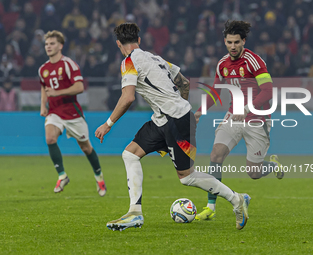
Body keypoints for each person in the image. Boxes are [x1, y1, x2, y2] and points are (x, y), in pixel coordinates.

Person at [95, 23, 250, 231]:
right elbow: (184, 83)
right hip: (164, 118)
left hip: (175, 120)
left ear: (118, 44)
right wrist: (183, 107)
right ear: (139, 41)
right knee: (130, 154)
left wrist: (108, 124)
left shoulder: (129, 62)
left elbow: (128, 97)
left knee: (187, 177)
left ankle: (237, 199)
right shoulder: (156, 58)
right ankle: (134, 213)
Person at [194, 20, 284, 221]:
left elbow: (268, 91)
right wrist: (200, 111)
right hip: (233, 116)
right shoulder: (222, 64)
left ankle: (273, 165)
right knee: (216, 154)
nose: (232, 46)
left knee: (253, 172)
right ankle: (210, 206)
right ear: (224, 42)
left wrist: (246, 108)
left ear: (243, 41)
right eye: (229, 42)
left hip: (257, 119)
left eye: (236, 42)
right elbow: (216, 90)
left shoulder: (254, 61)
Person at [38, 30, 106, 196]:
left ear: (60, 46)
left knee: (86, 147)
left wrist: (57, 92)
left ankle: (99, 176)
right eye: (46, 44)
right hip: (54, 111)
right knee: (50, 138)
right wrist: (43, 105)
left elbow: (80, 87)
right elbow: (44, 87)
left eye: (52, 43)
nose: (48, 47)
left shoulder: (69, 64)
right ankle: (62, 175)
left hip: (72, 112)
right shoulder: (43, 69)